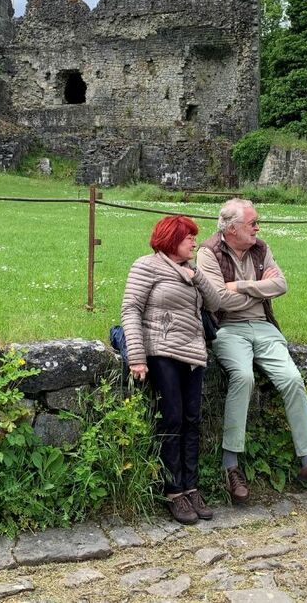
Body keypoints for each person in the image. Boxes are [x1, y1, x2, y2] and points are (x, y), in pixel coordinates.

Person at [196, 199, 307, 503]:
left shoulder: (261, 248)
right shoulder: (208, 252)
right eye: (253, 223)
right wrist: (258, 288)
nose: (258, 228)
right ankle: (231, 466)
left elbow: (281, 284)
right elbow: (218, 301)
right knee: (243, 378)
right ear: (232, 228)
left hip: (264, 327)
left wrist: (241, 286)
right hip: (229, 329)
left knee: (292, 379)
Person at [120, 215, 222, 524]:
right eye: (188, 236)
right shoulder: (146, 266)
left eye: (194, 236)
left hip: (193, 353)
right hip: (161, 350)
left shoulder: (191, 270)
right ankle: (174, 491)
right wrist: (136, 356)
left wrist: (197, 276)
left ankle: (191, 487)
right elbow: (130, 309)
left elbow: (216, 303)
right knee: (173, 418)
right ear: (170, 239)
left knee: (193, 419)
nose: (194, 241)